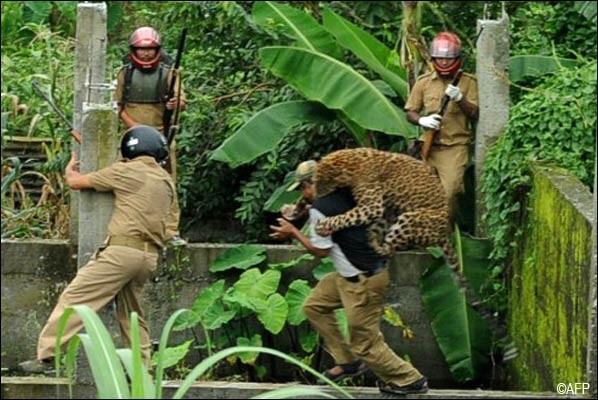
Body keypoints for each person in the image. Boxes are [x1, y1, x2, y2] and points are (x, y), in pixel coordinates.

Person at [18, 125, 177, 373]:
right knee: (132, 314)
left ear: (128, 150)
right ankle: (142, 369)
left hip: (121, 253)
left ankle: (48, 356)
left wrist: (71, 168)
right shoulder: (165, 180)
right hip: (148, 256)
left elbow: (76, 182)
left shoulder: (125, 172)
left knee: (76, 298)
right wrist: (87, 141)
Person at [270, 161, 429, 396]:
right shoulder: (350, 193)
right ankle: (347, 362)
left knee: (365, 344)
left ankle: (410, 380)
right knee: (314, 306)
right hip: (352, 274)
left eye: (303, 188)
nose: (302, 195)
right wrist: (299, 212)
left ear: (310, 185)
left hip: (362, 282)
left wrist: (292, 232)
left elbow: (320, 251)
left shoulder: (321, 209)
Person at [114, 26, 187, 245]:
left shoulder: (170, 74)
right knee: (127, 182)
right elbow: (117, 107)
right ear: (133, 50)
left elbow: (181, 102)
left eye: (150, 49)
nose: (146, 53)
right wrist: (135, 128)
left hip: (162, 137)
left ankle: (170, 231)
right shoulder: (124, 74)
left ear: (157, 50)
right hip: (132, 137)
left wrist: (176, 103)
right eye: (141, 49)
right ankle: (129, 229)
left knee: (167, 183)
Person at [404, 31, 479, 219]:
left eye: (448, 59)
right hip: (428, 145)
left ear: (456, 58)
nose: (444, 62)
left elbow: (475, 113)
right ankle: (423, 233)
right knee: (420, 193)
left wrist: (460, 98)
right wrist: (422, 120)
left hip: (454, 147)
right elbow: (410, 111)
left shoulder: (469, 82)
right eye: (440, 59)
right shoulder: (424, 82)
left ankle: (444, 234)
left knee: (449, 192)